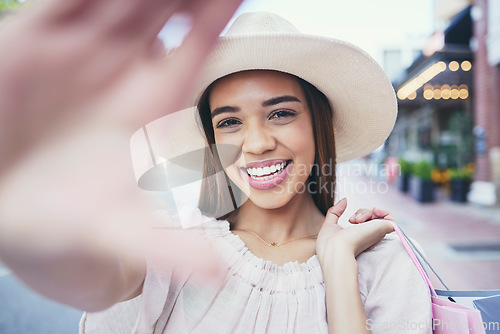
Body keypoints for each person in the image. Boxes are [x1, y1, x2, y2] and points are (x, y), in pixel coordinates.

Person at [0, 2, 432, 334]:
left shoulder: (379, 260)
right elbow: (99, 281)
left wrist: (338, 263)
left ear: (321, 126)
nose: (258, 143)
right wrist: (37, 232)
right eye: (228, 122)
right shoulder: (174, 247)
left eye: (281, 113)